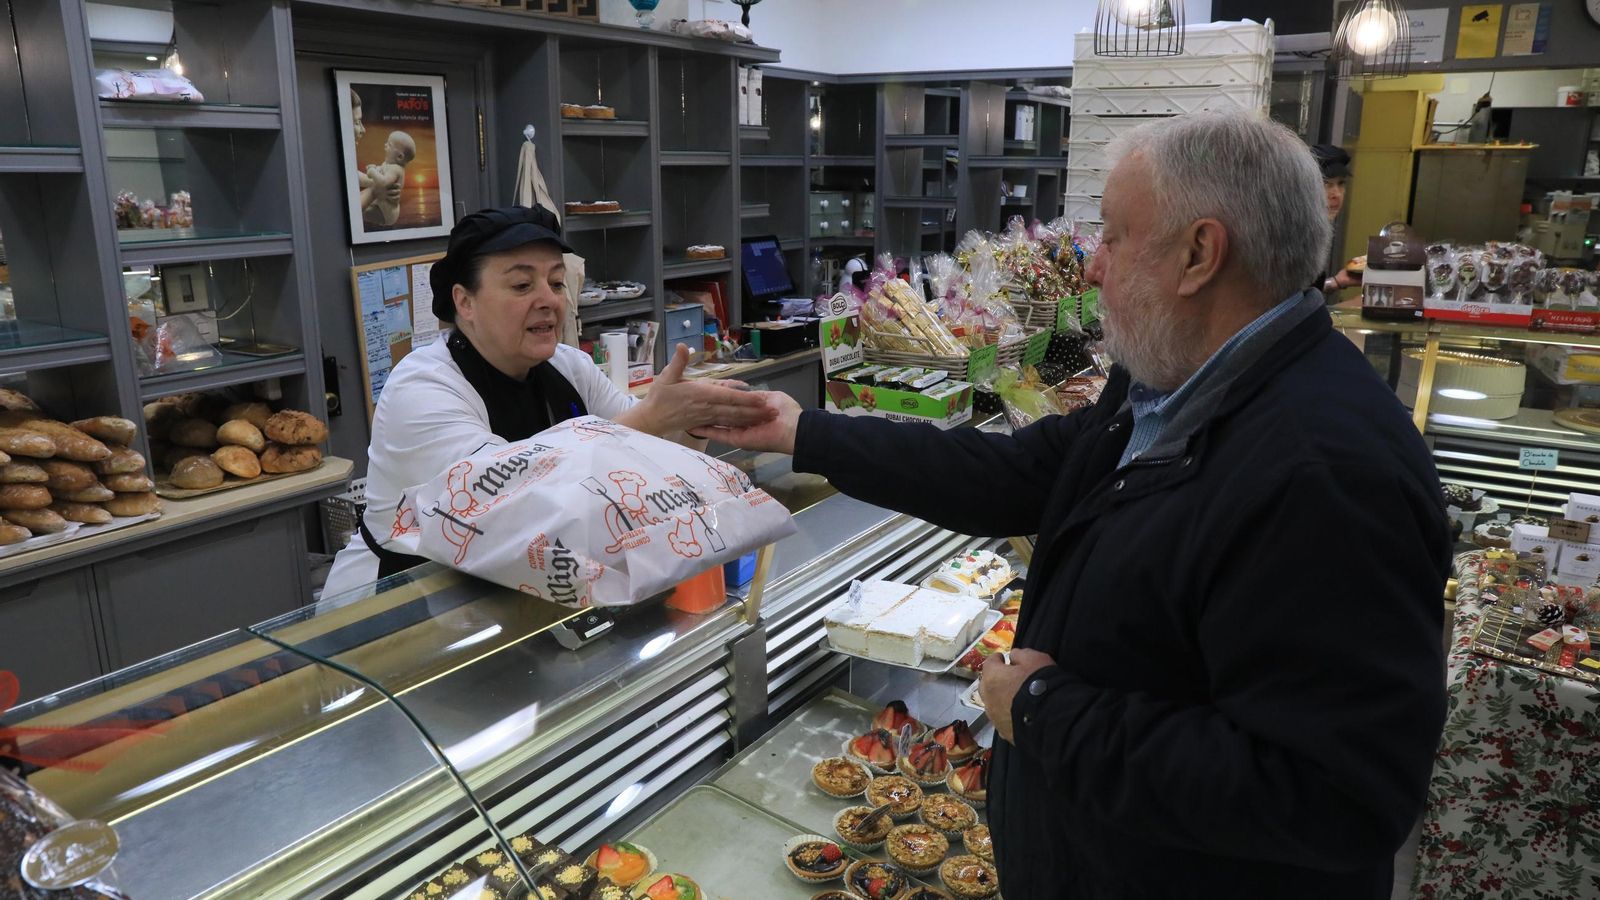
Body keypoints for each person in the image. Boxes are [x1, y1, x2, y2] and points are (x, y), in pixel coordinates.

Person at [707, 112, 1449, 899]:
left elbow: (1335, 796)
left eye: (1116, 237)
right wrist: (806, 433)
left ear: (1200, 254)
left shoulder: (1324, 475)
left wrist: (1046, 712)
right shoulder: (1171, 385)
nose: (1093, 268)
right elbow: (1020, 473)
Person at [321, 204, 773, 601]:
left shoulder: (568, 367)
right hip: (402, 607)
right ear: (465, 302)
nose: (549, 301)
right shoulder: (421, 388)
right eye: (521, 285)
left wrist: (687, 423)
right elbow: (512, 503)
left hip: (511, 598)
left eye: (556, 282)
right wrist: (651, 420)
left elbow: (644, 478)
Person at [1313, 143, 1362, 295]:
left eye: (1341, 184)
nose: (1337, 194)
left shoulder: (1317, 230)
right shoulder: (1294, 235)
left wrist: (1337, 282)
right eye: (1326, 184)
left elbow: (1304, 292)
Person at [360, 130, 417, 226]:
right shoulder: (389, 165)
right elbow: (381, 172)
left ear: (399, 156)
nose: (385, 145)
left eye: (389, 145)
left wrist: (372, 172)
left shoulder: (396, 169)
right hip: (381, 204)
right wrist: (376, 169)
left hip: (386, 213)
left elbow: (383, 182)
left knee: (362, 213)